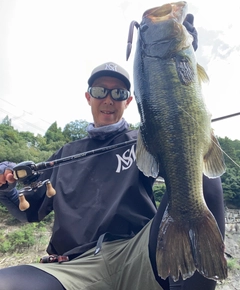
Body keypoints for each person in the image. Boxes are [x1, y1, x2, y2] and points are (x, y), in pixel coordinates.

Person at [0, 16, 225, 290]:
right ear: (88, 97)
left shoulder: (145, 139)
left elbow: (181, 137)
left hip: (140, 251)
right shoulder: (64, 155)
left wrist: (179, 67)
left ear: (129, 101)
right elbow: (29, 212)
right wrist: (6, 188)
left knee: (202, 177)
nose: (108, 99)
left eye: (118, 93)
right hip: (73, 265)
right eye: (100, 91)